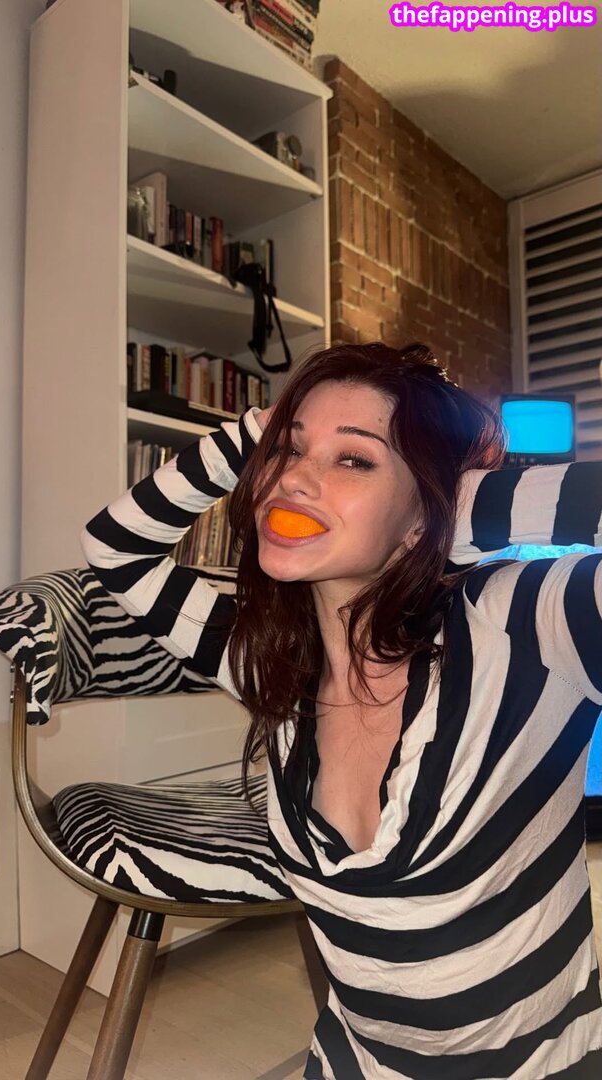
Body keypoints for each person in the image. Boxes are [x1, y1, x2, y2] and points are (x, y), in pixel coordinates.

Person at [81, 341, 602, 1078]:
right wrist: (255, 432)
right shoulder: (269, 660)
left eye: (354, 459)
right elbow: (113, 547)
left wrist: (450, 507)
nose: (291, 478)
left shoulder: (527, 627)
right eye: (288, 452)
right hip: (353, 1061)